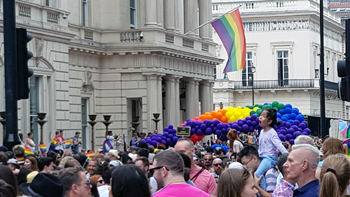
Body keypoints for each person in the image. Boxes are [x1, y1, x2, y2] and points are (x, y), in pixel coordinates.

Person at [256, 109, 288, 190]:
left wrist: (287, 155)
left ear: (269, 121)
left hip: (269, 158)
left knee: (258, 174)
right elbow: (260, 146)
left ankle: (263, 191)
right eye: (260, 115)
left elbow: (279, 144)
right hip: (262, 157)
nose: (260, 117)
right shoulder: (261, 132)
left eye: (263, 116)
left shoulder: (272, 132)